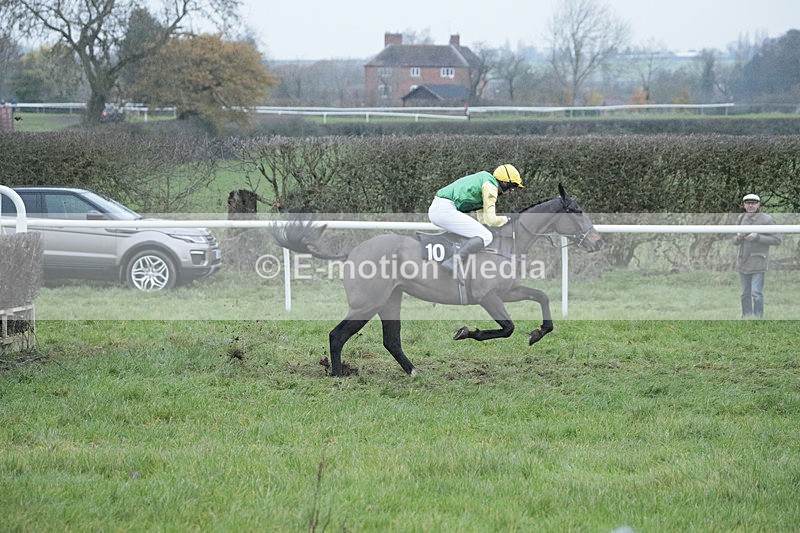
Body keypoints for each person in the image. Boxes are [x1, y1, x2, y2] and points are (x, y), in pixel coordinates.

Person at [428, 164, 523, 272]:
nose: (511, 192)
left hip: (441, 208)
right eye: (512, 187)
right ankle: (453, 262)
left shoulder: (485, 181)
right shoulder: (490, 186)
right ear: (504, 182)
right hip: (444, 210)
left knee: (482, 233)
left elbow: (482, 219)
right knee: (486, 236)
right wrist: (507, 219)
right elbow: (491, 219)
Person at [732, 193, 781, 318]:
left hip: (759, 262)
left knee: (756, 293)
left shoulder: (767, 220)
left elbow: (777, 240)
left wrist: (757, 237)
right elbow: (734, 240)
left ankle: (758, 318)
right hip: (743, 262)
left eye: (753, 203)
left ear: (758, 205)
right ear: (744, 205)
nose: (750, 206)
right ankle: (746, 317)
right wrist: (740, 237)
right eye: (748, 203)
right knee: (745, 293)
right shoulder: (741, 218)